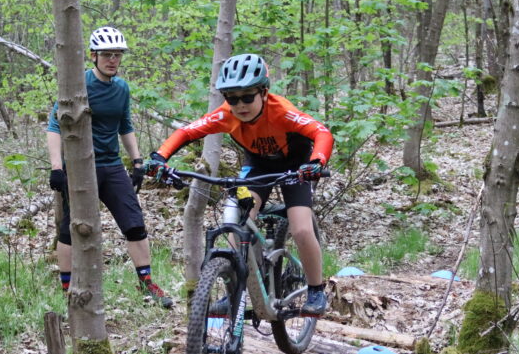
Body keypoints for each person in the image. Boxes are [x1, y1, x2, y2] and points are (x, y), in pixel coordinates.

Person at [144, 53, 333, 317]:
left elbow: (321, 132)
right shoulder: (226, 115)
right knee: (236, 222)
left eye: (247, 97)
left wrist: (317, 162)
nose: (240, 105)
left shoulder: (282, 111)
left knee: (301, 229)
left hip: (296, 166)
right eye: (232, 98)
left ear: (264, 92)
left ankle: (315, 290)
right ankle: (235, 293)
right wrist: (159, 157)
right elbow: (187, 132)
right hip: (257, 167)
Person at [46, 26, 172, 308]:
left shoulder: (122, 88)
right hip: (79, 167)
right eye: (107, 54)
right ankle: (67, 289)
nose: (112, 60)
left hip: (111, 166)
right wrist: (57, 168)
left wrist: (137, 161)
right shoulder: (77, 86)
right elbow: (54, 125)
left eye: (117, 55)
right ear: (93, 56)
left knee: (134, 223)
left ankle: (147, 283)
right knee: (71, 229)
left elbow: (125, 125)